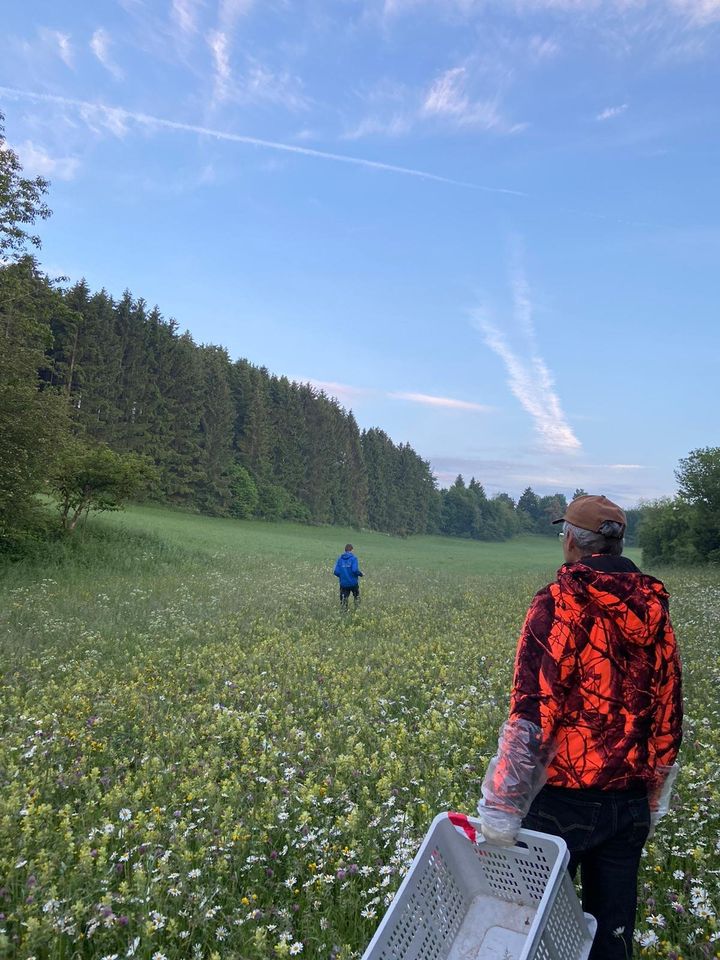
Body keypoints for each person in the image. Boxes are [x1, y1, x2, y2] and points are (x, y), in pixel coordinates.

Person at [477, 494, 683, 960]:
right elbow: (668, 714)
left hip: (562, 800)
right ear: (616, 544)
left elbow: (532, 711)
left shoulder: (559, 603)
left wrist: (503, 806)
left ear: (570, 540)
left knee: (532, 930)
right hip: (628, 802)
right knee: (611, 940)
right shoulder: (654, 609)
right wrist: (651, 799)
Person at [333, 543, 363, 610]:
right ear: (352, 550)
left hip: (343, 583)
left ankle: (344, 613)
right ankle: (357, 611)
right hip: (353, 583)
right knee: (356, 597)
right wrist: (361, 574)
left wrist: (342, 576)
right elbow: (354, 570)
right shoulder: (354, 558)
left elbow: (336, 572)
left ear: (345, 550)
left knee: (344, 600)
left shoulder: (340, 559)